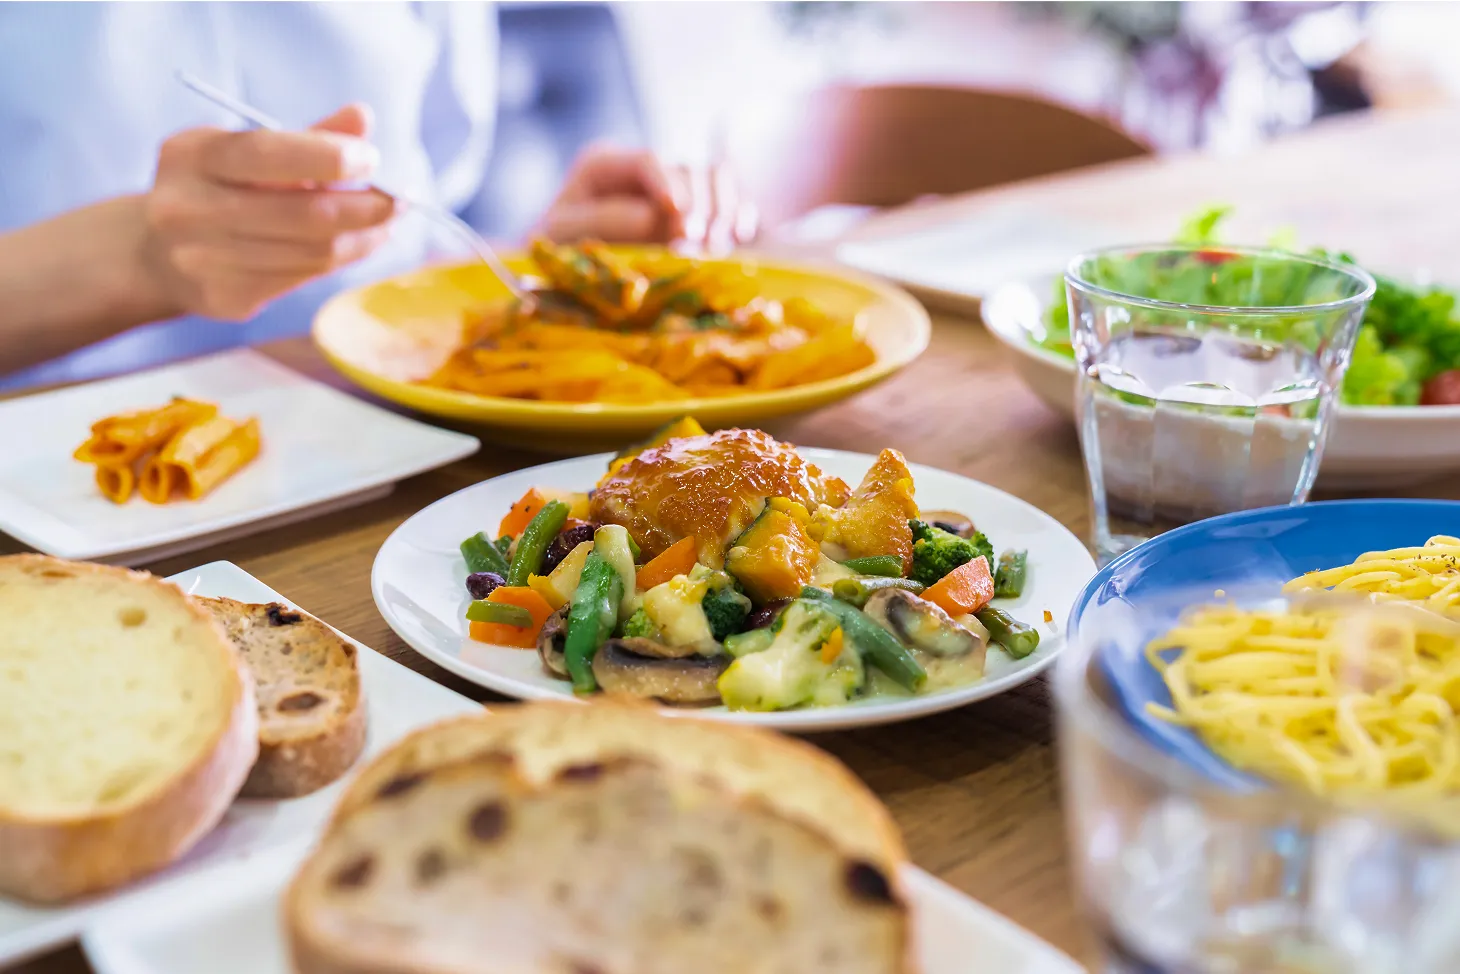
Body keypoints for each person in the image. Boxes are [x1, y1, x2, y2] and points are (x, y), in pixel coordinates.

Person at [0, 2, 750, 389]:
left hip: (373, 453)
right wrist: (137, 259)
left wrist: (550, 269)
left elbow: (411, 241)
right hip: (47, 478)